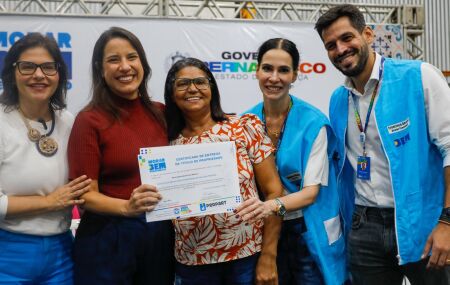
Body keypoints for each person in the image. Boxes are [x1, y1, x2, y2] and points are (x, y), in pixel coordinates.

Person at [314, 4, 450, 284]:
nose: (340, 49)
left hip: (424, 223)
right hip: (364, 229)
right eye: (331, 45)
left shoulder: (419, 76)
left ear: (367, 34)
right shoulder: (338, 100)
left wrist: (447, 222)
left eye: (347, 38)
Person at [67, 27, 174, 285]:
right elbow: (84, 195)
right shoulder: (89, 120)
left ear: (143, 63)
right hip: (107, 239)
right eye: (114, 60)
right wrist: (127, 208)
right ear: (100, 69)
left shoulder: (162, 113)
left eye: (132, 57)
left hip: (158, 236)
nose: (125, 66)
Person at [164, 57, 283, 285]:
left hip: (246, 256)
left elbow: (274, 192)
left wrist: (269, 255)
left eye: (200, 81)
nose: (192, 89)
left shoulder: (243, 127)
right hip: (192, 264)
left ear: (212, 87)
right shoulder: (165, 142)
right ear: (171, 92)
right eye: (182, 83)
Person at [237, 38, 347, 285]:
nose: (274, 78)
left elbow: (310, 194)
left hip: (306, 228)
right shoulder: (244, 122)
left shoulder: (314, 123)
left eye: (283, 70)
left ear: (295, 75)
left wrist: (268, 206)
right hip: (262, 231)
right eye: (267, 68)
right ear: (256, 71)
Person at [0, 33, 90, 284]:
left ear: (59, 74)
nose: (38, 75)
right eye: (27, 66)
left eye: (48, 67)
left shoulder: (69, 121)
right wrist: (49, 201)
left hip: (61, 252)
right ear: (12, 72)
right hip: (7, 253)